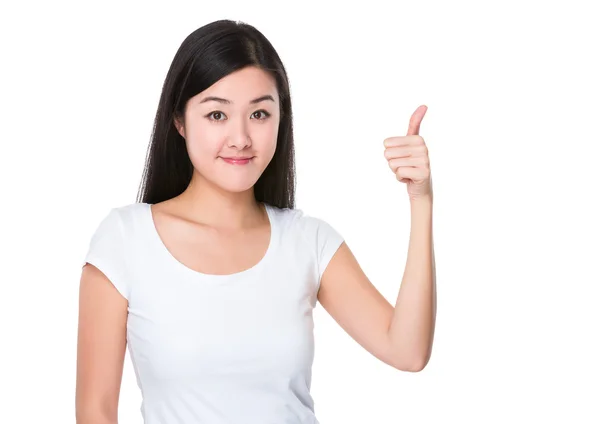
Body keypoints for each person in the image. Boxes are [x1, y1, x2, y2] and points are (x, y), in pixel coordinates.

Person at [75, 19, 437, 424]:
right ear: (179, 120)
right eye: (216, 115)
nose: (241, 137)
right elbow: (96, 411)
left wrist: (420, 199)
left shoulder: (307, 241)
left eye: (260, 113)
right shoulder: (125, 240)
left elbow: (407, 351)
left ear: (282, 120)